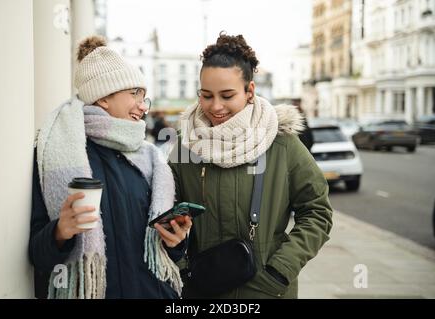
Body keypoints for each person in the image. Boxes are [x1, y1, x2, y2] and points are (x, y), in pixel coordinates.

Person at [168, 33, 333, 299]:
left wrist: (279, 272)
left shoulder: (283, 144)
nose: (216, 106)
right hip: (202, 291)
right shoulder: (185, 146)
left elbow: (317, 212)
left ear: (250, 91)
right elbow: (167, 213)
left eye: (227, 95)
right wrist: (184, 269)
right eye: (206, 95)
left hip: (267, 291)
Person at [29, 36, 191, 299]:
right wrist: (60, 232)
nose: (143, 106)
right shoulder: (53, 153)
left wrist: (177, 241)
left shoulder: (151, 159)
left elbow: (165, 254)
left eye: (144, 97)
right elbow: (36, 255)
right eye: (134, 94)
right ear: (103, 98)